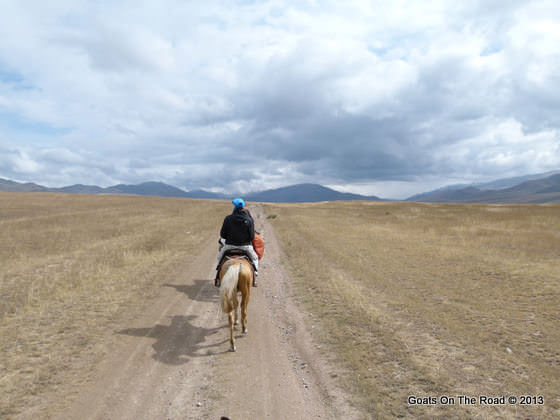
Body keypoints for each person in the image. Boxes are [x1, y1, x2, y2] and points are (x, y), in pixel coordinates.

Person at [215, 198, 259, 287]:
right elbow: (252, 237)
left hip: (229, 246)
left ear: (234, 207)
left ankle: (218, 277)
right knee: (255, 258)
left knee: (219, 258)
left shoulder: (228, 218)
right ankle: (254, 276)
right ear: (243, 207)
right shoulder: (249, 220)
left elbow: (223, 234)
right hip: (245, 247)